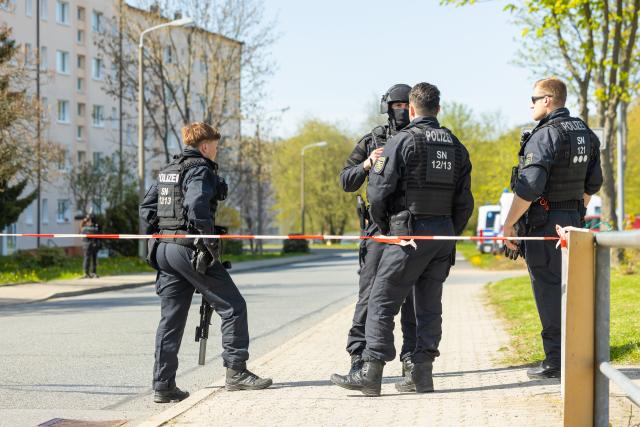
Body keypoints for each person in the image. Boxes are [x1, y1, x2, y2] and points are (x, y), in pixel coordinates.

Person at [334, 82, 474, 396]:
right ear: (438, 108)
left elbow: (379, 192)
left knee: (381, 301)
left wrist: (387, 227)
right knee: (428, 305)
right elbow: (465, 201)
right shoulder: (455, 144)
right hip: (440, 236)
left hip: (404, 234)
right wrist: (448, 233)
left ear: (412, 109)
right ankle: (421, 376)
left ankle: (370, 373)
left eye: (403, 106)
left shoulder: (403, 141)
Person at [139, 122, 272, 404]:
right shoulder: (200, 168)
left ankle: (163, 385)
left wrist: (165, 229)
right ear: (204, 146)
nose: (216, 150)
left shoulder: (169, 170)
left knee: (171, 319)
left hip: (164, 249)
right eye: (215, 145)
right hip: (188, 249)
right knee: (233, 306)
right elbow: (198, 202)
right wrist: (207, 240)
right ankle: (236, 371)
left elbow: (146, 208)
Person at [503, 77, 602, 379]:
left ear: (547, 100)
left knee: (548, 290)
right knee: (573, 290)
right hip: (574, 221)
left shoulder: (545, 136)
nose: (530, 104)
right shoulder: (585, 132)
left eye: (533, 99)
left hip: (546, 226)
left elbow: (530, 187)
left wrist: (508, 225)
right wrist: (577, 211)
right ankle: (580, 355)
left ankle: (556, 362)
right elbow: (593, 184)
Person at [331, 84, 418, 388]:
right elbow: (345, 179)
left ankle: (412, 363)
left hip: (411, 226)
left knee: (413, 298)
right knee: (369, 295)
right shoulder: (373, 139)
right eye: (396, 105)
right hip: (378, 229)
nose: (401, 110)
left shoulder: (420, 138)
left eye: (406, 104)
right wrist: (368, 164)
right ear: (387, 106)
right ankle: (359, 359)